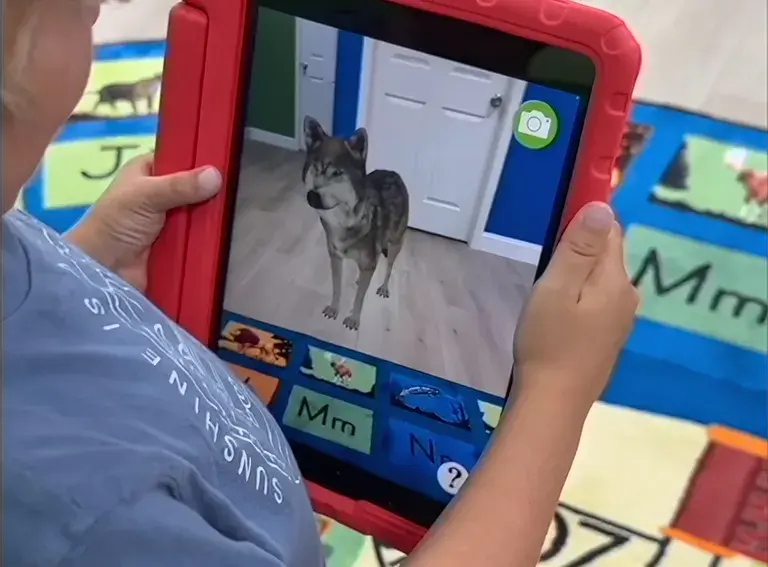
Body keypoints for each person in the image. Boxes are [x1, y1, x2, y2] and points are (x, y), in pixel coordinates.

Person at [1, 1, 639, 566]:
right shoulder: (93, 523)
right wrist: (556, 388)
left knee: (373, 260)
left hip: (244, 472)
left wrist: (85, 264)